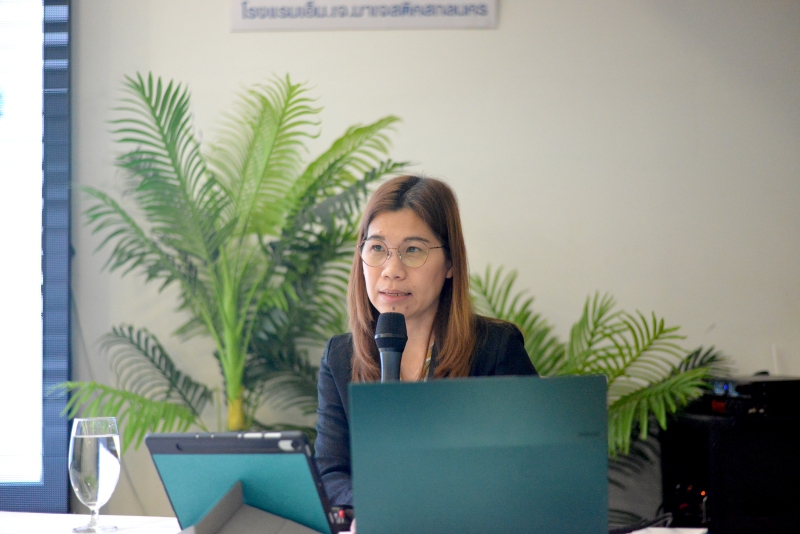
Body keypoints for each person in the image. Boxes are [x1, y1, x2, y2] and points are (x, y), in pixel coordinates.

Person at [314, 175, 537, 512]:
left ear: (450, 263)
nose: (391, 270)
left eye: (413, 250)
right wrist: (379, 510)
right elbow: (330, 474)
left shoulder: (495, 349)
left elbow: (528, 471)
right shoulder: (341, 357)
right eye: (377, 248)